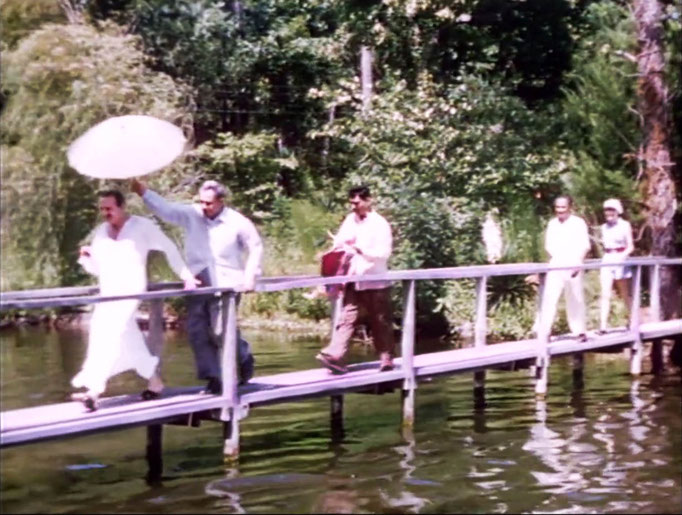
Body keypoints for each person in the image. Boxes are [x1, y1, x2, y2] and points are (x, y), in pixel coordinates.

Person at [131, 178, 262, 394]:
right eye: (201, 202)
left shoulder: (237, 222)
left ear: (221, 201)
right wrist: (144, 192)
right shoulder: (193, 214)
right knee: (197, 331)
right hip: (199, 279)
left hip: (227, 282)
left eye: (209, 203)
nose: (204, 207)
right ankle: (214, 378)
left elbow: (255, 246)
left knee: (221, 331)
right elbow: (167, 210)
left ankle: (243, 356)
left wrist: (250, 276)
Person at [72, 190, 198, 411]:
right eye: (102, 209)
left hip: (130, 290)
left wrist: (186, 275)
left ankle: (93, 390)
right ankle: (155, 382)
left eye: (109, 208)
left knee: (109, 332)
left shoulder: (142, 226)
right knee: (124, 337)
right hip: (108, 292)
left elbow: (169, 247)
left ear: (122, 207)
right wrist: (87, 258)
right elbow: (98, 269)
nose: (105, 213)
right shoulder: (101, 232)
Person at [315, 185, 395, 374]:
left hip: (375, 279)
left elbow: (384, 253)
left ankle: (386, 358)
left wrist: (360, 249)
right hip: (353, 277)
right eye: (351, 203)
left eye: (357, 203)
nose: (353, 207)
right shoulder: (350, 220)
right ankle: (335, 356)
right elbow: (340, 242)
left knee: (380, 319)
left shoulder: (380, 223)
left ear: (368, 201)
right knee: (347, 318)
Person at [537, 195, 591, 343]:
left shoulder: (578, 223)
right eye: (557, 207)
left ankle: (579, 331)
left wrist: (578, 262)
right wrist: (558, 259)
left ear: (570, 207)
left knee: (575, 298)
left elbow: (585, 245)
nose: (560, 210)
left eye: (563, 207)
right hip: (556, 263)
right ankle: (545, 331)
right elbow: (549, 245)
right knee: (550, 298)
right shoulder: (552, 224)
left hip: (574, 263)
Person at [598, 198, 634, 333]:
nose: (609, 213)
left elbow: (630, 247)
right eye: (607, 210)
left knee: (624, 293)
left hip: (621, 258)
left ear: (617, 211)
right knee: (605, 292)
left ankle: (633, 320)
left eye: (612, 210)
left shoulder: (625, 225)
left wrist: (622, 257)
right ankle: (603, 326)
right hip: (607, 258)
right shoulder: (603, 228)